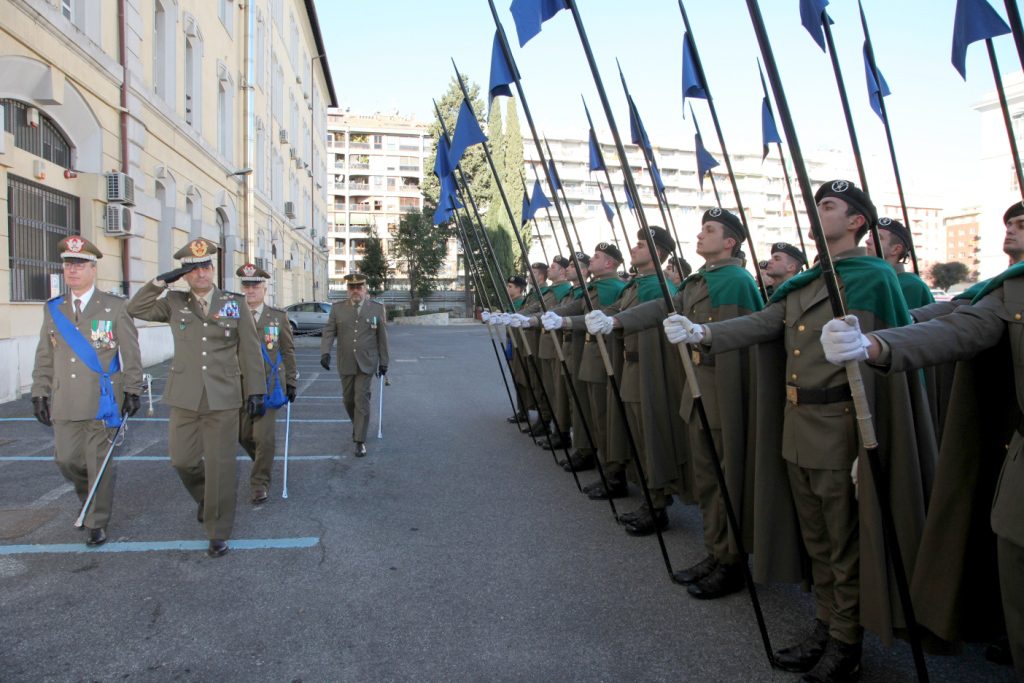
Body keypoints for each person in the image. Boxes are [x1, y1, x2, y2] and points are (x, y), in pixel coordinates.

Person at [661, 181, 935, 682]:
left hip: (842, 430)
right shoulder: (808, 281)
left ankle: (845, 641)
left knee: (842, 541)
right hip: (796, 425)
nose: (818, 211)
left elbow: (893, 369)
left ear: (857, 222)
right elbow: (766, 323)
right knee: (818, 540)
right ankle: (826, 626)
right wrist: (704, 333)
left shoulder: (872, 277)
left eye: (828, 206)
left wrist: (876, 441)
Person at [820, 199, 1024, 679]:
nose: (1013, 226)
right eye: (1010, 220)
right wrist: (876, 343)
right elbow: (956, 322)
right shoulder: (1005, 293)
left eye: (1023, 222)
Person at [591, 208, 762, 599]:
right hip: (699, 391)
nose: (699, 236)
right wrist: (616, 322)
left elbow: (741, 354)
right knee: (709, 480)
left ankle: (732, 561)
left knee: (724, 481)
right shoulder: (705, 278)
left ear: (730, 241)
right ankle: (717, 552)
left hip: (723, 397)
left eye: (709, 230)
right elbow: (663, 308)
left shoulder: (735, 281)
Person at [127, 238, 265, 557]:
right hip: (185, 394)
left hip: (224, 396)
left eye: (206, 267)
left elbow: (249, 349)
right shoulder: (174, 302)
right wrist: (161, 281)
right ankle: (206, 497)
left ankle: (217, 530)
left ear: (213, 269)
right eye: (193, 269)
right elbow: (136, 309)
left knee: (220, 466)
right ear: (185, 275)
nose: (201, 274)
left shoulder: (234, 302)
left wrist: (255, 390)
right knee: (182, 460)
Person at [30, 236, 142, 547]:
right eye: (68, 264)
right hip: (65, 400)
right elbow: (45, 354)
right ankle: (89, 497)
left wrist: (132, 390)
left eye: (79, 265)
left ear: (93, 269)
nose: (73, 270)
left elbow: (131, 354)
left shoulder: (116, 306)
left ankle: (96, 521)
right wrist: (39, 392)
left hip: (102, 400)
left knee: (97, 462)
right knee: (67, 461)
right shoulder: (54, 308)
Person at [578, 227, 687, 535]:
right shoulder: (638, 285)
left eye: (641, 245)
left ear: (656, 253)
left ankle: (657, 505)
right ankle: (650, 499)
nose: (634, 248)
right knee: (638, 437)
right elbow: (612, 315)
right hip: (632, 366)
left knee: (651, 438)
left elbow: (652, 337)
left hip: (648, 371)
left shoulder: (657, 286)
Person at [236, 263, 297, 503]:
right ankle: (263, 461)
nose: (250, 291)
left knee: (264, 438)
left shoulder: (278, 317)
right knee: (243, 436)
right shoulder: (232, 315)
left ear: (264, 288)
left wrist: (291, 381)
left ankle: (260, 482)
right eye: (246, 286)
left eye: (255, 286)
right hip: (238, 385)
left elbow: (288, 351)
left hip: (269, 386)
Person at [320, 273, 389, 457]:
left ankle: (359, 440)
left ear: (365, 288)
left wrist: (384, 362)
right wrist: (325, 352)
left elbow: (382, 337)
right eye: (352, 287)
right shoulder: (338, 309)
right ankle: (357, 425)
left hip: (367, 362)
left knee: (361, 400)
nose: (355, 291)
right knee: (348, 400)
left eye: (359, 287)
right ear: (348, 290)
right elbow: (329, 332)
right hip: (346, 361)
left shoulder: (375, 309)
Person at [866, 218, 933, 309]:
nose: (868, 241)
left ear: (896, 249)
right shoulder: (866, 279)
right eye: (870, 235)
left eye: (878, 238)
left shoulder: (912, 286)